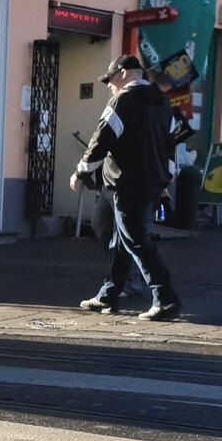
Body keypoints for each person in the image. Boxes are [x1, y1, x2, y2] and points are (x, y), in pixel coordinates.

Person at [72, 55, 181, 321]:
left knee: (134, 239)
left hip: (125, 183)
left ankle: (165, 298)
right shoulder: (163, 104)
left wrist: (81, 171)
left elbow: (101, 139)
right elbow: (169, 147)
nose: (109, 85)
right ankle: (108, 294)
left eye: (109, 80)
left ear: (122, 73)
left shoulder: (123, 100)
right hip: (144, 182)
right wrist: (165, 183)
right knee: (115, 237)